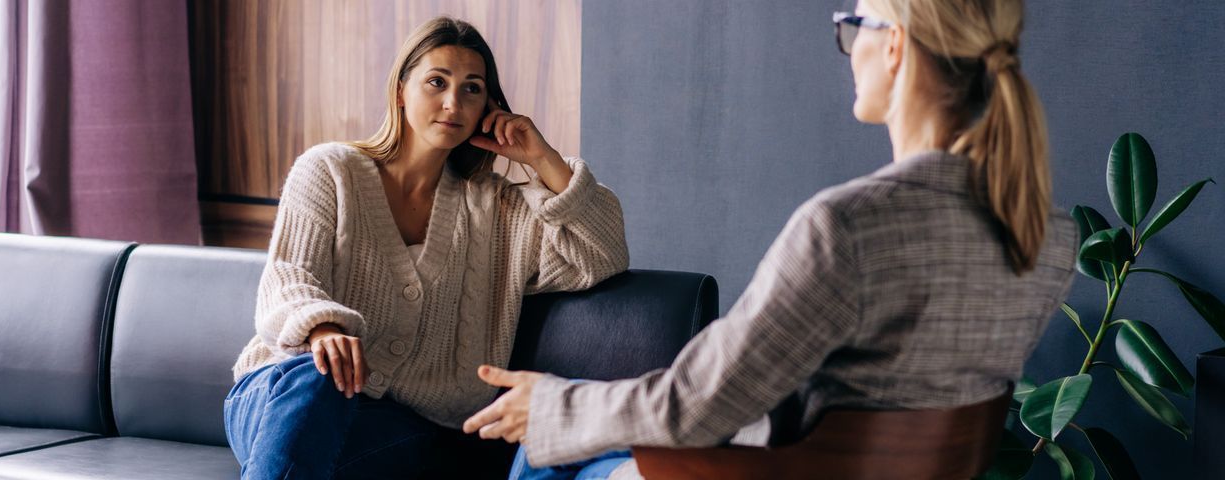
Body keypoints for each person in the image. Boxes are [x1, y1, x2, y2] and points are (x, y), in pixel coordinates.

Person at [463, 1, 1076, 478]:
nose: (848, 46)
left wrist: (550, 405)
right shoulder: (1046, 236)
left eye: (852, 24)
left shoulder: (847, 227)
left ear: (894, 45)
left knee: (545, 453)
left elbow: (695, 405)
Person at [223, 16, 629, 480]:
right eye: (437, 82)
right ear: (401, 89)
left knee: (425, 455)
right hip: (283, 392)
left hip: (399, 429)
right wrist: (323, 330)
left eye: (472, 89)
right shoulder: (330, 170)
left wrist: (542, 158)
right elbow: (288, 275)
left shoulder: (497, 210)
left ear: (487, 107)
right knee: (317, 380)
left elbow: (602, 253)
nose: (453, 102)